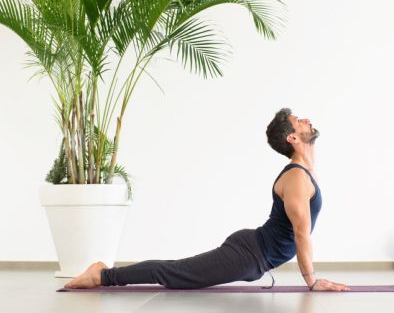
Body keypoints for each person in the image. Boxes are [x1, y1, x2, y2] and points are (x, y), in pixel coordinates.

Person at [65, 108, 349, 292]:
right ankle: (103, 275)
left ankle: (104, 274)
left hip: (253, 254)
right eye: (299, 120)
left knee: (178, 272)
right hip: (249, 254)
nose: (306, 119)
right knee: (176, 274)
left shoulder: (303, 175)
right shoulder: (297, 177)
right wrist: (312, 281)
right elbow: (301, 234)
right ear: (292, 138)